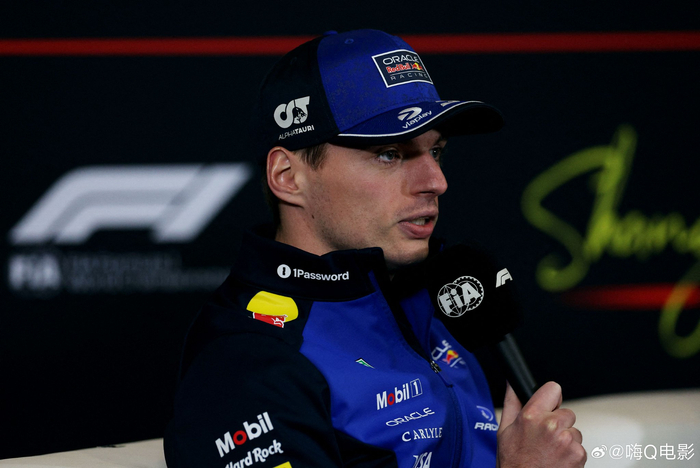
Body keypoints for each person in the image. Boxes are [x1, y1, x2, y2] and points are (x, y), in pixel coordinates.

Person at [164, 29, 586, 468]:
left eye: (436, 151)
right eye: (389, 153)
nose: (436, 182)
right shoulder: (250, 361)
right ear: (288, 177)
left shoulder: (433, 301)